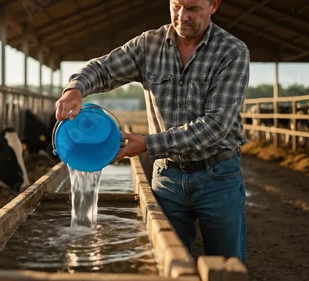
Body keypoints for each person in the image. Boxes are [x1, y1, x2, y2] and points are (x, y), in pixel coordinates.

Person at [55, 0, 249, 263]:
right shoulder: (149, 45)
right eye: (177, 5)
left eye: (193, 8)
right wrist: (75, 88)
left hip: (217, 176)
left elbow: (215, 126)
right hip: (167, 176)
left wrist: (148, 144)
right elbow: (102, 69)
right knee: (166, 262)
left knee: (227, 264)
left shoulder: (231, 51)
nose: (182, 16)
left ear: (214, 5)